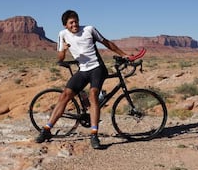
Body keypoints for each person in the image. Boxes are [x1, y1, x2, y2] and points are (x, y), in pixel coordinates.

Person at [35, 10, 130, 149]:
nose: (75, 24)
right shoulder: (63, 35)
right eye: (71, 23)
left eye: (76, 21)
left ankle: (94, 134)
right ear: (65, 25)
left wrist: (124, 54)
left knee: (93, 95)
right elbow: (60, 58)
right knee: (65, 95)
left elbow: (107, 43)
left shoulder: (89, 29)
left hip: (97, 68)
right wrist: (64, 50)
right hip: (83, 70)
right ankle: (47, 129)